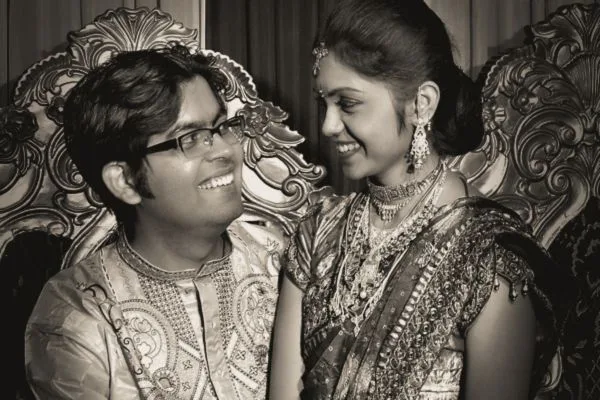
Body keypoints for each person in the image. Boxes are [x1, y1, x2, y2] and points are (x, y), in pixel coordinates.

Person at [269, 0, 565, 399]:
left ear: (421, 104)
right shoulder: (317, 233)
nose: (328, 125)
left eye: (347, 104)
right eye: (324, 103)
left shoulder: (489, 256)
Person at [25, 46, 285, 400]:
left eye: (221, 127)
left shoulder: (283, 262)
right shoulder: (76, 317)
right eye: (189, 139)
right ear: (126, 181)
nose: (225, 151)